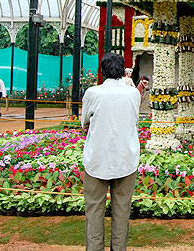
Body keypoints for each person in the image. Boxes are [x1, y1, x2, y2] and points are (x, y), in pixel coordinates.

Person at [81, 52, 141, 251]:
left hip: (96, 159)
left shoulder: (92, 93)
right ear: (123, 71)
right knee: (122, 212)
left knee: (94, 211)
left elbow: (84, 124)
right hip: (126, 159)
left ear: (102, 71)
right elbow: (134, 121)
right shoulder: (133, 94)